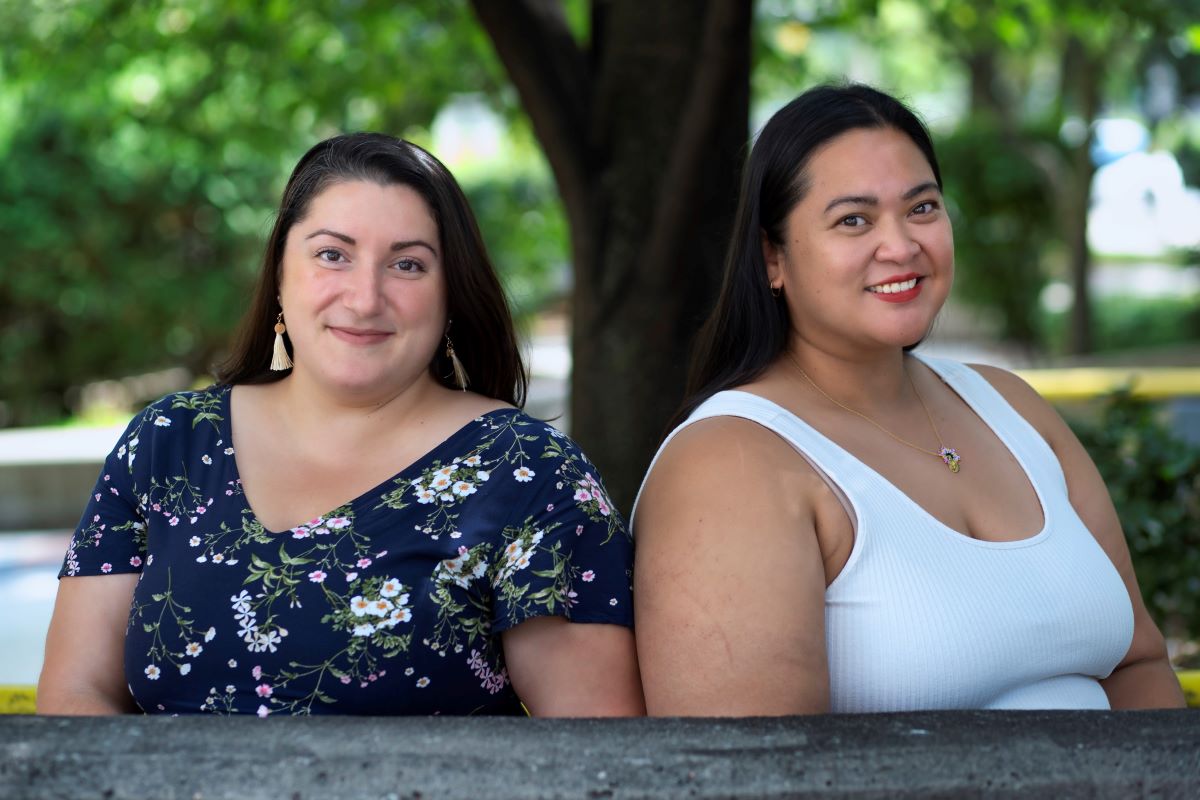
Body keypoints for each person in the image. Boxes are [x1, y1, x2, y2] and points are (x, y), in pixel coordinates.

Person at [38, 133, 643, 717]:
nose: (364, 297)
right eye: (333, 255)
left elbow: (596, 746)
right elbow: (76, 692)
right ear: (279, 274)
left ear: (450, 296)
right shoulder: (168, 440)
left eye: (407, 265)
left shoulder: (531, 473)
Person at [632, 84, 1185, 715]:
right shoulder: (728, 464)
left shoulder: (1011, 404)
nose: (900, 246)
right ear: (771, 258)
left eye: (922, 208)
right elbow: (749, 770)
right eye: (853, 220)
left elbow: (1137, 661)